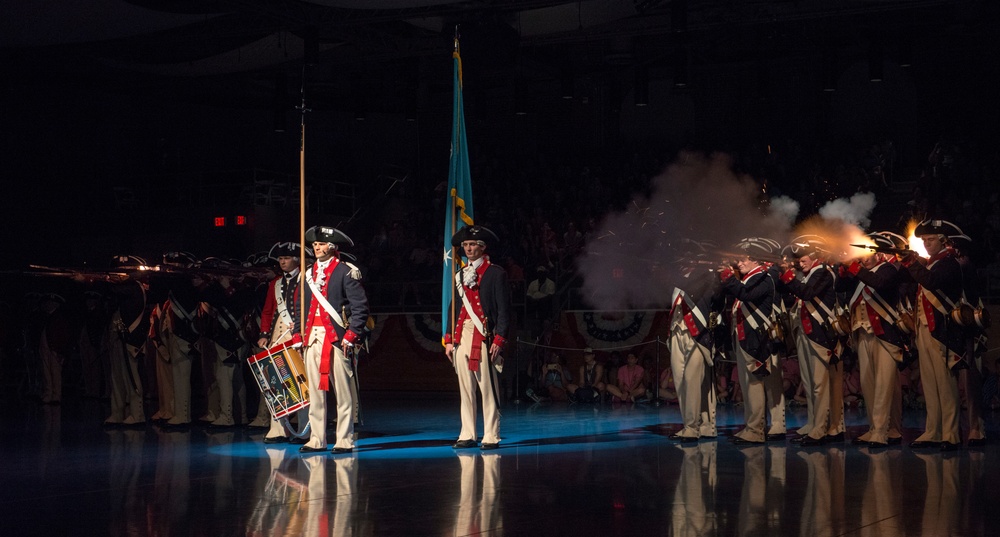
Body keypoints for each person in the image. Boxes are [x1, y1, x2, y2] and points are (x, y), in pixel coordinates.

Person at [299, 226, 370, 454]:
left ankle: (344, 439)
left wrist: (351, 335)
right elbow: (302, 308)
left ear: (332, 247)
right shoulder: (307, 274)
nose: (317, 248)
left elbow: (360, 308)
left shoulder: (346, 271)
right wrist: (300, 334)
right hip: (312, 338)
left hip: (337, 339)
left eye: (321, 244)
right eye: (315, 245)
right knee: (315, 392)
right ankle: (317, 438)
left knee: (343, 391)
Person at [898, 219, 967, 451]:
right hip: (925, 329)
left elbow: (932, 282)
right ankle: (933, 431)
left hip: (942, 331)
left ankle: (951, 434)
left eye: (930, 240)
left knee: (945, 385)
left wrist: (910, 261)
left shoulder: (948, 263)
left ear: (943, 241)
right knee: (929, 384)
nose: (926, 244)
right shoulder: (930, 263)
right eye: (924, 240)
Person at [444, 225, 512, 450]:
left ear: (482, 247)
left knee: (488, 388)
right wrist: (449, 339)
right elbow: (454, 307)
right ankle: (467, 433)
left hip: (484, 335)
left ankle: (491, 434)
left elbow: (504, 310)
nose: (468, 248)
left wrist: (500, 338)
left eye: (472, 244)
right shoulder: (459, 274)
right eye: (465, 245)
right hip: (462, 333)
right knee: (465, 387)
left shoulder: (495, 273)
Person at [838, 232, 906, 448]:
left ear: (881, 254)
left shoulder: (888, 270)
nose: (864, 257)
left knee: (884, 386)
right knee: (869, 384)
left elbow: (881, 284)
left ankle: (881, 431)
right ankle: (883, 428)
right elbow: (839, 286)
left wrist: (855, 268)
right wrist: (845, 267)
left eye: (868, 253)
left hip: (885, 335)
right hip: (863, 334)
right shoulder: (861, 274)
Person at [779, 236, 844, 447]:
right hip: (807, 332)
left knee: (820, 384)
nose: (799, 261)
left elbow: (807, 294)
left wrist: (788, 276)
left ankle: (821, 428)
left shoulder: (823, 272)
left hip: (820, 334)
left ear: (816, 255)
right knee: (810, 382)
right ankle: (816, 423)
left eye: (802, 257)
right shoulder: (807, 274)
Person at [718, 237, 779, 444]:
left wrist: (727, 276)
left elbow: (745, 294)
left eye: (744, 260)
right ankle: (751, 426)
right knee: (746, 384)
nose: (739, 263)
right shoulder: (749, 277)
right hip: (745, 337)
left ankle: (756, 429)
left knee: (754, 383)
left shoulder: (763, 277)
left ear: (756, 260)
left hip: (756, 338)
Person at [253, 242, 310, 443]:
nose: (282, 262)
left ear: (296, 259)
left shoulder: (307, 279)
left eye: (286, 258)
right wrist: (264, 334)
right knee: (276, 383)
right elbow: (268, 311)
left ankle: (304, 429)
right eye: (280, 258)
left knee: (301, 383)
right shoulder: (275, 283)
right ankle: (278, 429)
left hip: (298, 337)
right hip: (278, 337)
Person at [666, 251, 721, 441]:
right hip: (677, 331)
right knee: (681, 381)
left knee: (694, 380)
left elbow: (692, 289)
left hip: (698, 334)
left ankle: (698, 426)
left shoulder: (706, 274)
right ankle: (692, 423)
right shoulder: (679, 277)